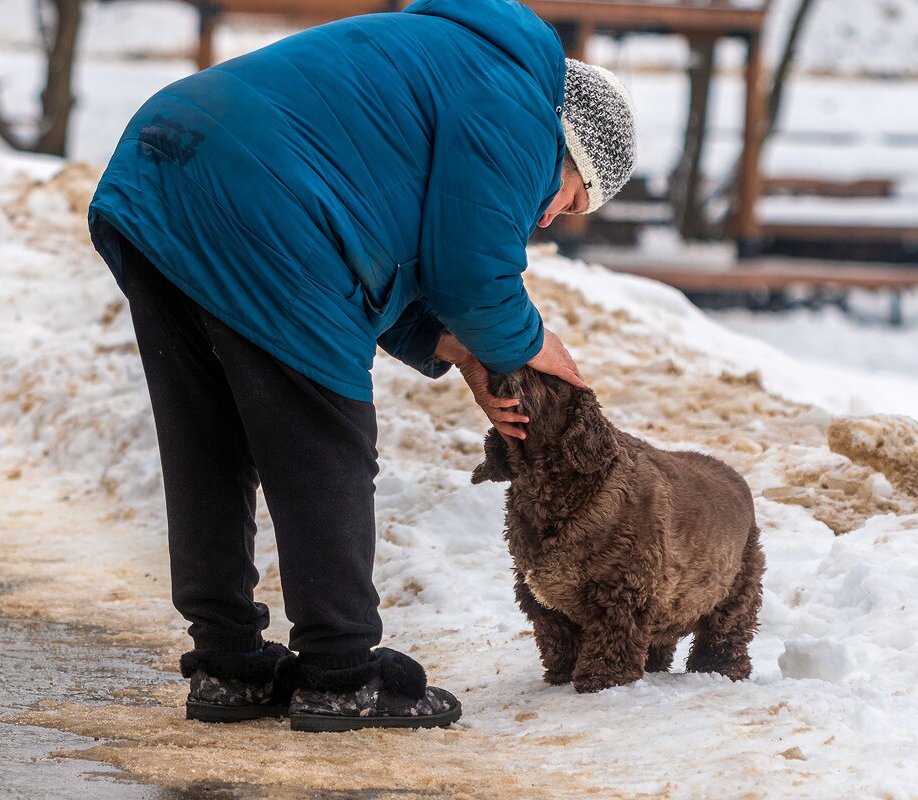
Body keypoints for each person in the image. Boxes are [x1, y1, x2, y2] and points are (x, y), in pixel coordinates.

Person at [88, 0, 636, 731]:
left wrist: (466, 349)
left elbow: (394, 254)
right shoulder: (521, 103)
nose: (548, 217)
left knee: (207, 440)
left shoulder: (454, 58)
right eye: (570, 200)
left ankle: (228, 663)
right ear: (571, 150)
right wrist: (533, 347)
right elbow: (473, 277)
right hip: (262, 195)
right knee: (324, 440)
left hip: (161, 166)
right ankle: (342, 672)